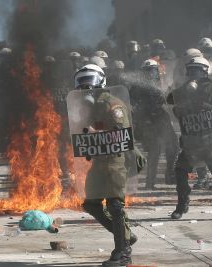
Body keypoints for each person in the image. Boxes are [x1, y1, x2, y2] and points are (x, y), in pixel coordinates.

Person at [74, 64, 137, 266]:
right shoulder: (92, 108)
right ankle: (126, 236)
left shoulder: (113, 106)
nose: (86, 89)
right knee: (90, 203)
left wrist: (95, 134)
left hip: (115, 161)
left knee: (115, 206)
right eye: (82, 85)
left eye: (88, 83)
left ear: (101, 82)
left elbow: (121, 135)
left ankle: (123, 253)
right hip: (99, 162)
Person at [169, 56, 212, 221]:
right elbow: (172, 102)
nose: (193, 73)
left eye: (197, 70)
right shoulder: (185, 89)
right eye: (191, 69)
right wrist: (184, 93)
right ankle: (182, 204)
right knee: (180, 169)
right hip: (192, 140)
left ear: (205, 71)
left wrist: (201, 105)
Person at [129, 59, 177, 188]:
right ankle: (150, 182)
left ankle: (170, 174)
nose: (152, 74)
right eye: (149, 71)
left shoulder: (161, 83)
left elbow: (168, 99)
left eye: (154, 71)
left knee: (173, 145)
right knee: (154, 149)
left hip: (161, 118)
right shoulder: (137, 86)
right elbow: (132, 104)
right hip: (147, 121)